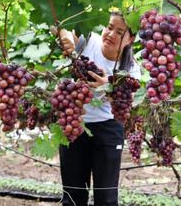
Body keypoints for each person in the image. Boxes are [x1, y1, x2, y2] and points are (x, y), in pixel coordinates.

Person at [57, 11, 141, 206]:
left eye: (119, 32)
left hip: (108, 130)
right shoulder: (89, 41)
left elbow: (126, 103)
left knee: (106, 198)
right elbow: (62, 28)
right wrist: (66, 37)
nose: (111, 34)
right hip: (74, 125)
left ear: (130, 39)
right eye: (109, 27)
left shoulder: (129, 69)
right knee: (72, 196)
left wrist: (108, 86)